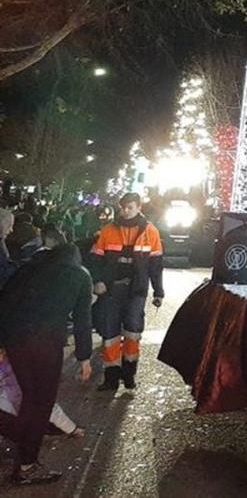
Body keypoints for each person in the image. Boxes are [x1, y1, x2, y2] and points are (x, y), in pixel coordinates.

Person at [0, 227, 93, 485]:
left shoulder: (29, 268)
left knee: (31, 399)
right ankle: (27, 466)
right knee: (40, 403)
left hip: (16, 340)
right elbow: (84, 322)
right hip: (44, 344)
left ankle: (27, 453)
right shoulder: (80, 275)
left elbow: (5, 301)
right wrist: (84, 358)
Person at [91, 193, 164, 392]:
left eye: (129, 207)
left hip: (136, 290)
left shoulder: (151, 232)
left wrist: (159, 291)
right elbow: (96, 260)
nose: (125, 211)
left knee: (133, 331)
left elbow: (156, 265)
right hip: (112, 289)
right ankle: (111, 378)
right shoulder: (108, 230)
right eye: (123, 207)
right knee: (110, 334)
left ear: (139, 207)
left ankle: (129, 375)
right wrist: (98, 281)